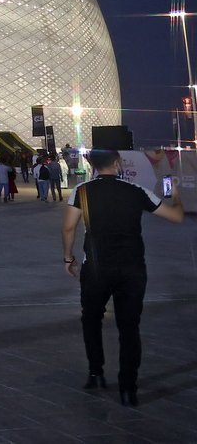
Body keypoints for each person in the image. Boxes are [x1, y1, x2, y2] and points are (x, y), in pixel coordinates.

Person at [61, 149, 184, 406]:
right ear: (117, 164)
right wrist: (176, 195)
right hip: (132, 269)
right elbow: (176, 216)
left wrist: (68, 258)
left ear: (92, 164)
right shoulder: (136, 191)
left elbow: (69, 227)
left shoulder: (81, 191)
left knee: (91, 320)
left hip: (95, 268)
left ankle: (96, 373)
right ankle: (129, 389)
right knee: (129, 328)